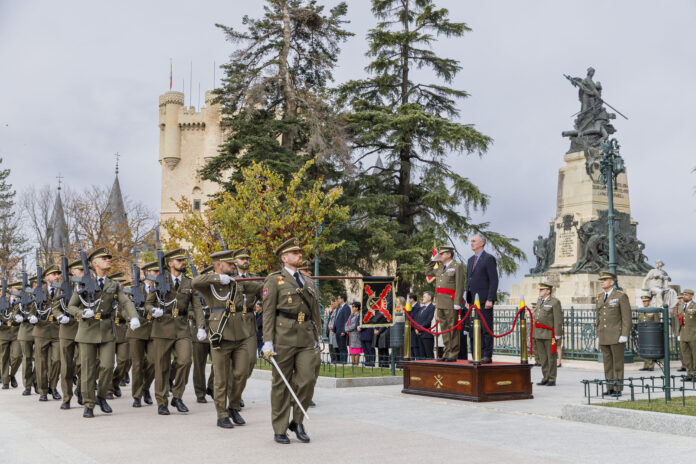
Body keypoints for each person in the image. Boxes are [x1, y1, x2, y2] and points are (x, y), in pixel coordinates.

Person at [67, 247, 140, 418]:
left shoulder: (113, 284)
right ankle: (89, 404)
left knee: (107, 366)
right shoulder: (83, 284)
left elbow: (125, 302)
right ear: (94, 263)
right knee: (88, 369)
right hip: (87, 331)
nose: (108, 259)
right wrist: (81, 313)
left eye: (109, 257)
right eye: (104, 258)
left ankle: (101, 396)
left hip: (106, 330)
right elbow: (71, 306)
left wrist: (134, 317)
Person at [261, 238, 320, 444]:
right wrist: (267, 340)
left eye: (300, 253)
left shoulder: (309, 282)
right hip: (283, 336)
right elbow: (268, 313)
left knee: (307, 380)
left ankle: (297, 421)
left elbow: (315, 313)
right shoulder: (274, 280)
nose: (300, 256)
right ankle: (279, 428)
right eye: (295, 253)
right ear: (284, 258)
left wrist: (318, 336)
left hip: (305, 336)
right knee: (280, 385)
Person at [192, 249, 257, 429]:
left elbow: (260, 285)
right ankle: (222, 414)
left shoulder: (237, 281)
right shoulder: (210, 284)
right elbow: (195, 282)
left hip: (241, 333)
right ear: (219, 265)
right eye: (230, 264)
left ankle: (234, 406)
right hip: (219, 333)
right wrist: (217, 278)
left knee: (241, 373)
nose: (233, 267)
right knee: (221, 378)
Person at [146, 248, 203, 416]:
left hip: (182, 328)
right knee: (161, 367)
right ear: (170, 264)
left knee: (185, 361)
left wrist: (200, 327)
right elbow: (148, 303)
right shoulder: (159, 281)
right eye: (179, 261)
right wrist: (153, 311)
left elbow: (197, 306)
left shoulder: (189, 282)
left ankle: (177, 396)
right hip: (162, 327)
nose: (182, 263)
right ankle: (161, 401)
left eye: (183, 261)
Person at [426, 244, 465, 362]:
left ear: (449, 254)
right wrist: (433, 260)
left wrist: (457, 301)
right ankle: (447, 352)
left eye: (442, 254)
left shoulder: (457, 266)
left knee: (452, 328)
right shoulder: (441, 267)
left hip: (451, 301)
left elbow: (459, 285)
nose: (440, 256)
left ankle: (453, 353)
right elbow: (428, 272)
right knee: (444, 329)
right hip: (440, 302)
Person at [595, 271, 631, 397]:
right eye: (601, 280)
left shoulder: (620, 296)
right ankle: (609, 386)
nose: (602, 282)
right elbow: (598, 316)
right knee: (607, 363)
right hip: (604, 335)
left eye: (605, 280)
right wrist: (597, 332)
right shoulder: (600, 296)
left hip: (616, 335)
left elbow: (626, 317)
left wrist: (624, 334)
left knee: (617, 363)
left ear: (612, 282)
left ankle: (618, 388)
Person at [465, 234, 499, 364]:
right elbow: (469, 282)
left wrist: (490, 299)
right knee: (473, 329)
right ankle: (476, 354)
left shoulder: (488, 258)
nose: (471, 243)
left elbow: (494, 280)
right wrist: (468, 300)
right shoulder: (470, 260)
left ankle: (487, 355)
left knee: (485, 329)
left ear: (482, 243)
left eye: (474, 241)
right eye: (471, 240)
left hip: (485, 301)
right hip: (473, 302)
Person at [127, 261, 156, 407]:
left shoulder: (162, 288)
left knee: (153, 361)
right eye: (153, 271)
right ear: (146, 273)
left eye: (158, 271)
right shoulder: (135, 288)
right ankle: (137, 395)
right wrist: (131, 317)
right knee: (137, 364)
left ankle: (145, 388)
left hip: (154, 328)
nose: (156, 274)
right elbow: (124, 305)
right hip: (137, 329)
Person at [32, 266, 62, 402]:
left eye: (58, 274)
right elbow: (30, 308)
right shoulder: (38, 291)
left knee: (57, 360)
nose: (57, 276)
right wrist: (32, 317)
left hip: (57, 330)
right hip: (41, 330)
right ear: (46, 278)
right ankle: (43, 390)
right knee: (41, 362)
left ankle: (53, 387)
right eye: (53, 274)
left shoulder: (62, 291)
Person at [190, 264, 214, 404]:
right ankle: (200, 392)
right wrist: (199, 314)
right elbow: (189, 309)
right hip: (199, 330)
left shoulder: (216, 291)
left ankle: (211, 387)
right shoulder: (194, 291)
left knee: (218, 363)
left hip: (214, 330)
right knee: (199, 365)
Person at [532, 283, 562, 386]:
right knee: (543, 358)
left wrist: (557, 335)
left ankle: (552, 378)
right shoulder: (539, 301)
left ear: (548, 291)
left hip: (550, 334)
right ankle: (545, 377)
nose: (540, 291)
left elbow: (558, 320)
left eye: (542, 289)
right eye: (540, 289)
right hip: (538, 333)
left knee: (551, 357)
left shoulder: (554, 302)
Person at [109, 273, 131, 399]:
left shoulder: (124, 298)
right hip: (110, 331)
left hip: (123, 331)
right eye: (119, 282)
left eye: (122, 283)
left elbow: (125, 310)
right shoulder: (107, 295)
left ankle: (115, 381)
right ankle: (108, 388)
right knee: (108, 363)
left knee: (124, 361)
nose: (121, 285)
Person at [0, 282, 22, 390]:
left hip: (17, 331)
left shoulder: (23, 302)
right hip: (3, 331)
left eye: (20, 290)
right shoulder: (3, 301)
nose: (18, 292)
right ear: (11, 291)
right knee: (3, 357)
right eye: (16, 290)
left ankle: (11, 375)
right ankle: (5, 381)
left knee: (18, 356)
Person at [677, 289, 696, 380]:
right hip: (683, 335)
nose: (684, 296)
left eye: (686, 295)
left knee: (695, 355)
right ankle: (689, 373)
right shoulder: (681, 306)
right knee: (686, 355)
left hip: (693, 335)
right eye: (684, 294)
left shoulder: (695, 305)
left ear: (691, 296)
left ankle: (695, 374)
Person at [638, 295, 659, 372]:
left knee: (650, 349)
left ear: (649, 302)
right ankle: (646, 365)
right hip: (643, 333)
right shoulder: (641, 310)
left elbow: (657, 322)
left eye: (646, 301)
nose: (644, 303)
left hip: (651, 333)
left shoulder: (653, 310)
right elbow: (640, 321)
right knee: (644, 349)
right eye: (643, 301)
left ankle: (651, 366)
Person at [415, 291, 435, 359]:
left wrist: (419, 328)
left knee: (429, 355)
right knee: (422, 355)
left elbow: (429, 320)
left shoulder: (432, 307)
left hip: (427, 335)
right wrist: (416, 328)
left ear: (429, 298)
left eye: (424, 296)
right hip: (419, 335)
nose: (422, 298)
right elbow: (417, 319)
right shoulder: (421, 308)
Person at [333, 294, 350, 363]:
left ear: (342, 299)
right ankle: (341, 361)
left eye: (339, 298)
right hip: (337, 331)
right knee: (340, 347)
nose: (337, 300)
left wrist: (344, 331)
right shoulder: (338, 308)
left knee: (343, 348)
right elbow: (336, 319)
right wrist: (334, 329)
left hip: (342, 332)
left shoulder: (346, 308)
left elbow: (347, 320)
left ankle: (344, 362)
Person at [357, 302, 375, 366]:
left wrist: (361, 327)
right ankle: (367, 361)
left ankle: (371, 362)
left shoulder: (370, 312)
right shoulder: (361, 313)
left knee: (369, 349)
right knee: (365, 350)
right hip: (362, 334)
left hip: (368, 333)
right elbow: (357, 320)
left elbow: (368, 322)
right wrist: (357, 326)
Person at [675, 292, 687, 372]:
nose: (680, 300)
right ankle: (683, 365)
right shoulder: (676, 307)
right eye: (679, 298)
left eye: (681, 298)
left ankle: (687, 365)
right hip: (678, 332)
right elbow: (674, 321)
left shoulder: (686, 307)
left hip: (685, 332)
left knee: (686, 350)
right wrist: (675, 332)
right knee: (681, 350)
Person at [407, 293, 421, 358]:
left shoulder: (417, 307)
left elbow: (415, 319)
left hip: (414, 330)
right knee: (411, 350)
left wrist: (409, 326)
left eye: (408, 298)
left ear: (412, 299)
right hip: (409, 330)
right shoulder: (409, 307)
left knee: (416, 350)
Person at [326, 297, 339, 363]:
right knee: (331, 348)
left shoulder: (338, 311)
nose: (332, 305)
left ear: (336, 303)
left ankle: (336, 362)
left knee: (335, 349)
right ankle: (332, 361)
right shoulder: (331, 312)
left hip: (334, 333)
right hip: (330, 333)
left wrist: (333, 327)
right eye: (331, 304)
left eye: (333, 304)